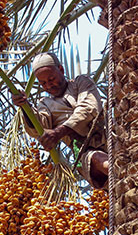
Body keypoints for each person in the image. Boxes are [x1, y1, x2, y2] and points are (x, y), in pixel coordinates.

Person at [11, 52, 109, 189]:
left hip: (110, 139)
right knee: (98, 160)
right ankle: (121, 173)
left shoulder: (81, 83)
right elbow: (38, 127)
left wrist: (59, 132)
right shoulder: (45, 104)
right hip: (85, 152)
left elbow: (89, 108)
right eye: (43, 83)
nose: (49, 86)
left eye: (51, 79)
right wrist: (24, 106)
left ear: (61, 70)